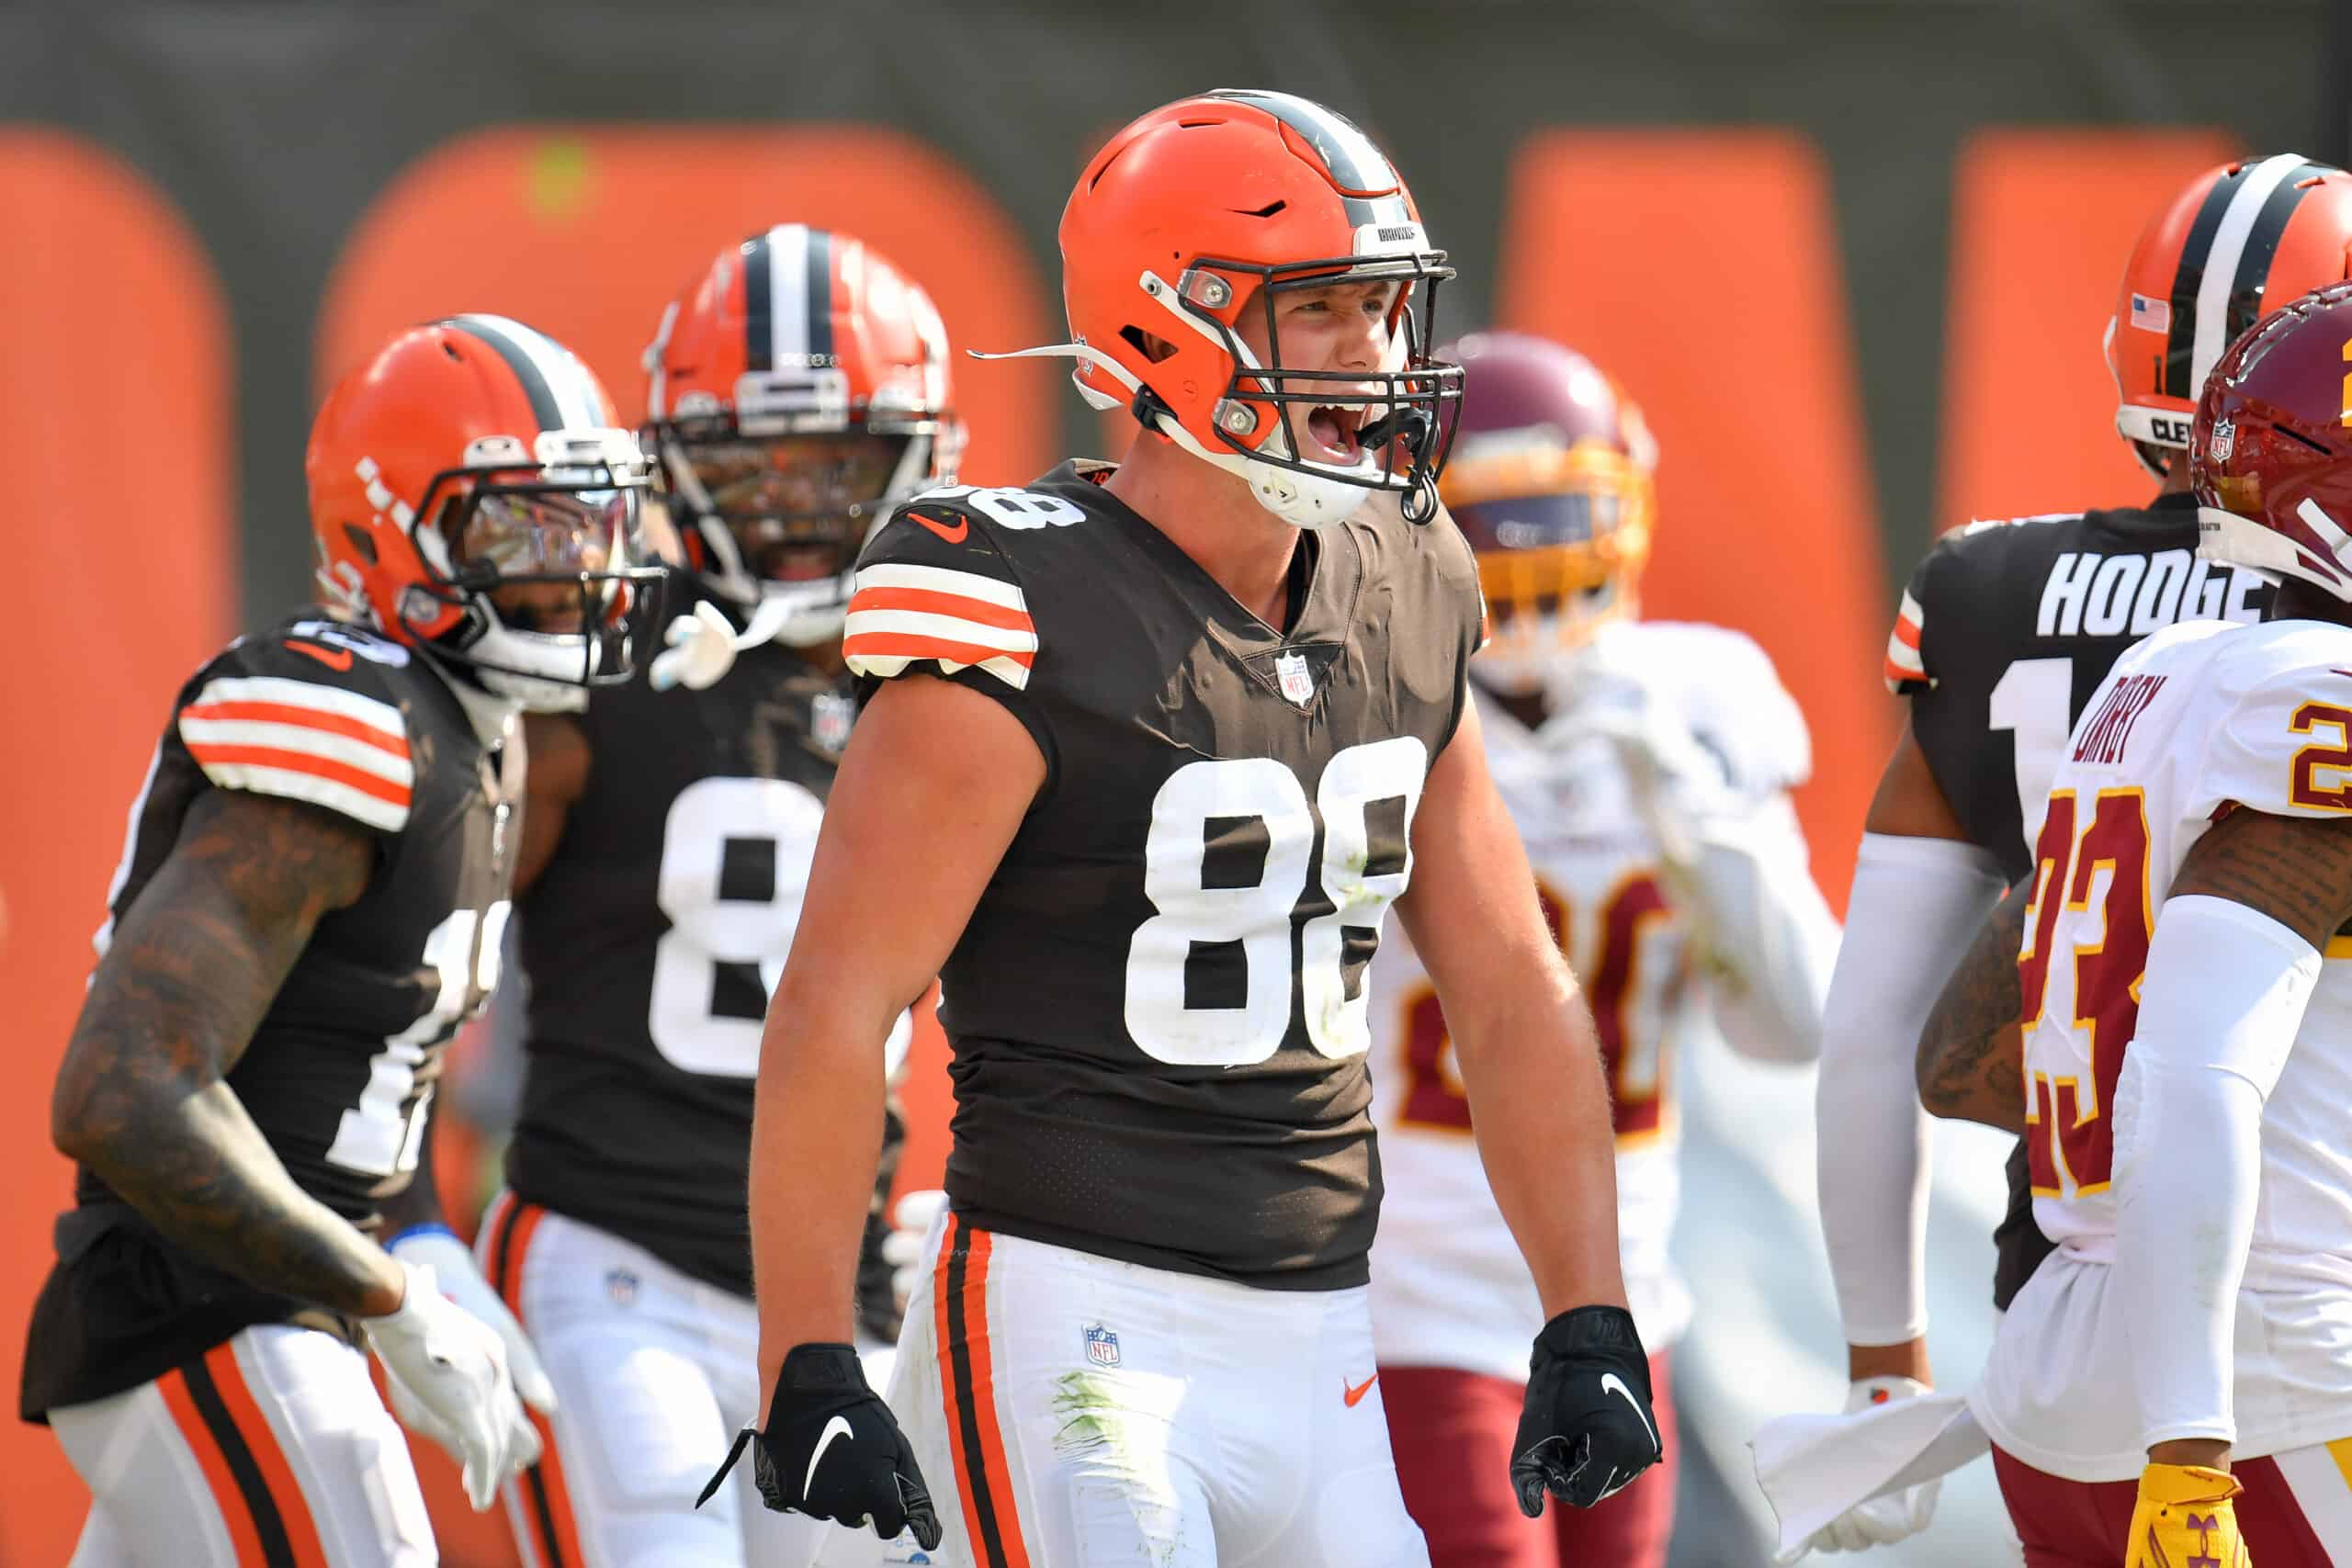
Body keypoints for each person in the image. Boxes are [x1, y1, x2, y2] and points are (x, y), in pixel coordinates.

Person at [709, 88, 1663, 1566]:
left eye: (1387, 309)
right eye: (1329, 312)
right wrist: (810, 1354)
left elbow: (1506, 979)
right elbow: (841, 1002)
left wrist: (1587, 1305)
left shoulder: (1406, 571)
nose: (1380, 357)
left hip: (1327, 1331)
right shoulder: (1020, 600)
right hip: (1076, 1320)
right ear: (1167, 327)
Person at [19, 314, 664, 1566]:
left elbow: (373, 1064)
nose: (575, 568)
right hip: (199, 1307)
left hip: (269, 1308)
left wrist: (416, 1230)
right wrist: (388, 1293)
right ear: (393, 534)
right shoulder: (349, 722)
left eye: (587, 525)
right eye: (525, 529)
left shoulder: (481, 727)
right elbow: (125, 1093)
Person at [380, 224, 960, 1568]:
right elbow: (403, 961)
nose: (801, 507)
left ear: (922, 459)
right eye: (756, 467)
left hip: (835, 1289)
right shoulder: (598, 662)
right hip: (612, 1257)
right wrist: (414, 1218)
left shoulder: (947, 680)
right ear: (675, 466)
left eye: (841, 466)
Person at [1799, 152, 2352, 1554]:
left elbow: (1915, 1047)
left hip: (2059, 1319)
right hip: (2259, 1351)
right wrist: (2189, 1441)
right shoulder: (2304, 690)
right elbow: (2192, 1068)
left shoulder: (2135, 661)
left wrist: (1880, 1355)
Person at [1364, 331, 1838, 1568]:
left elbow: (1793, 1028)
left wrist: (1709, 829)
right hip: (1419, 1286)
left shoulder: (1692, 700)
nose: (1523, 561)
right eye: (1491, 528)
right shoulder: (1377, 704)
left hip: (1629, 1282)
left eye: (1554, 515)